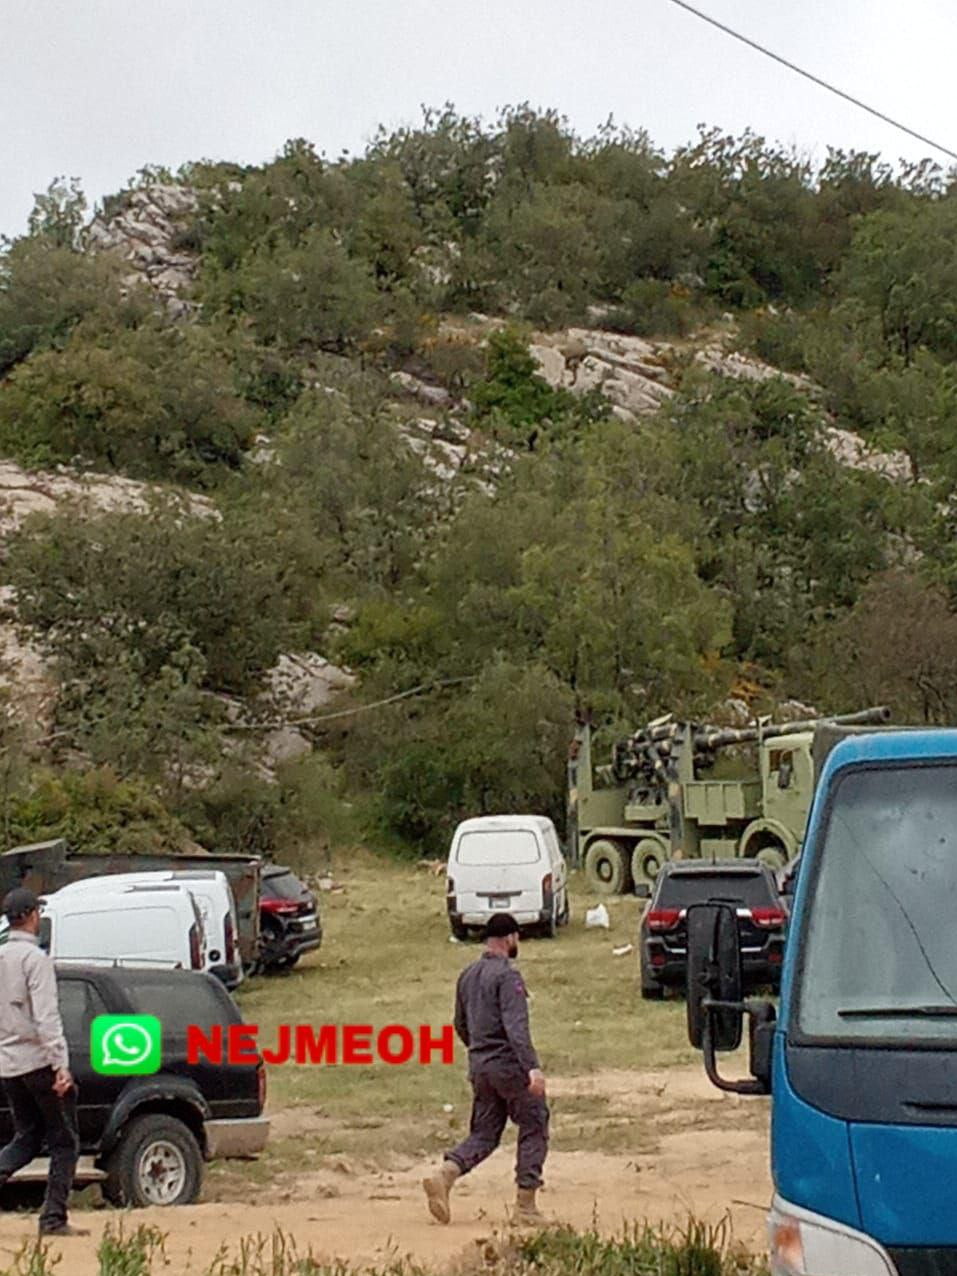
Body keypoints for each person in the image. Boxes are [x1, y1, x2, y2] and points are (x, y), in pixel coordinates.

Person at [423, 913, 549, 1226]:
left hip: (479, 1065)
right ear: (509, 938)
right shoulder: (508, 977)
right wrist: (531, 1068)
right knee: (535, 1121)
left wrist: (479, 1052)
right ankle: (526, 1206)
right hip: (508, 1066)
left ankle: (445, 1175)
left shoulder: (467, 975)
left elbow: (459, 1024)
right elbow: (515, 1027)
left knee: (485, 1132)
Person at [0, 888, 85, 1237]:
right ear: (33, 915)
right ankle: (53, 1218)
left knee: (26, 1137)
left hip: (7, 1063)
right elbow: (47, 1017)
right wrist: (60, 1065)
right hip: (37, 1060)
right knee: (65, 1141)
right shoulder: (36, 960)